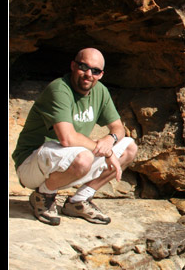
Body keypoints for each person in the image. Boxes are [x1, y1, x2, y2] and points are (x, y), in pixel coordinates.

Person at [12, 48, 138, 226]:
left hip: (66, 162)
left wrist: (110, 139)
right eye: (83, 67)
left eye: (95, 71)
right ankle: (43, 196)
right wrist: (107, 152)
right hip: (32, 165)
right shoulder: (59, 89)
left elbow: (118, 128)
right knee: (84, 157)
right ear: (73, 65)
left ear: (101, 74)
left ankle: (78, 202)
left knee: (129, 146)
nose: (88, 74)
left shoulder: (100, 91)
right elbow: (67, 138)